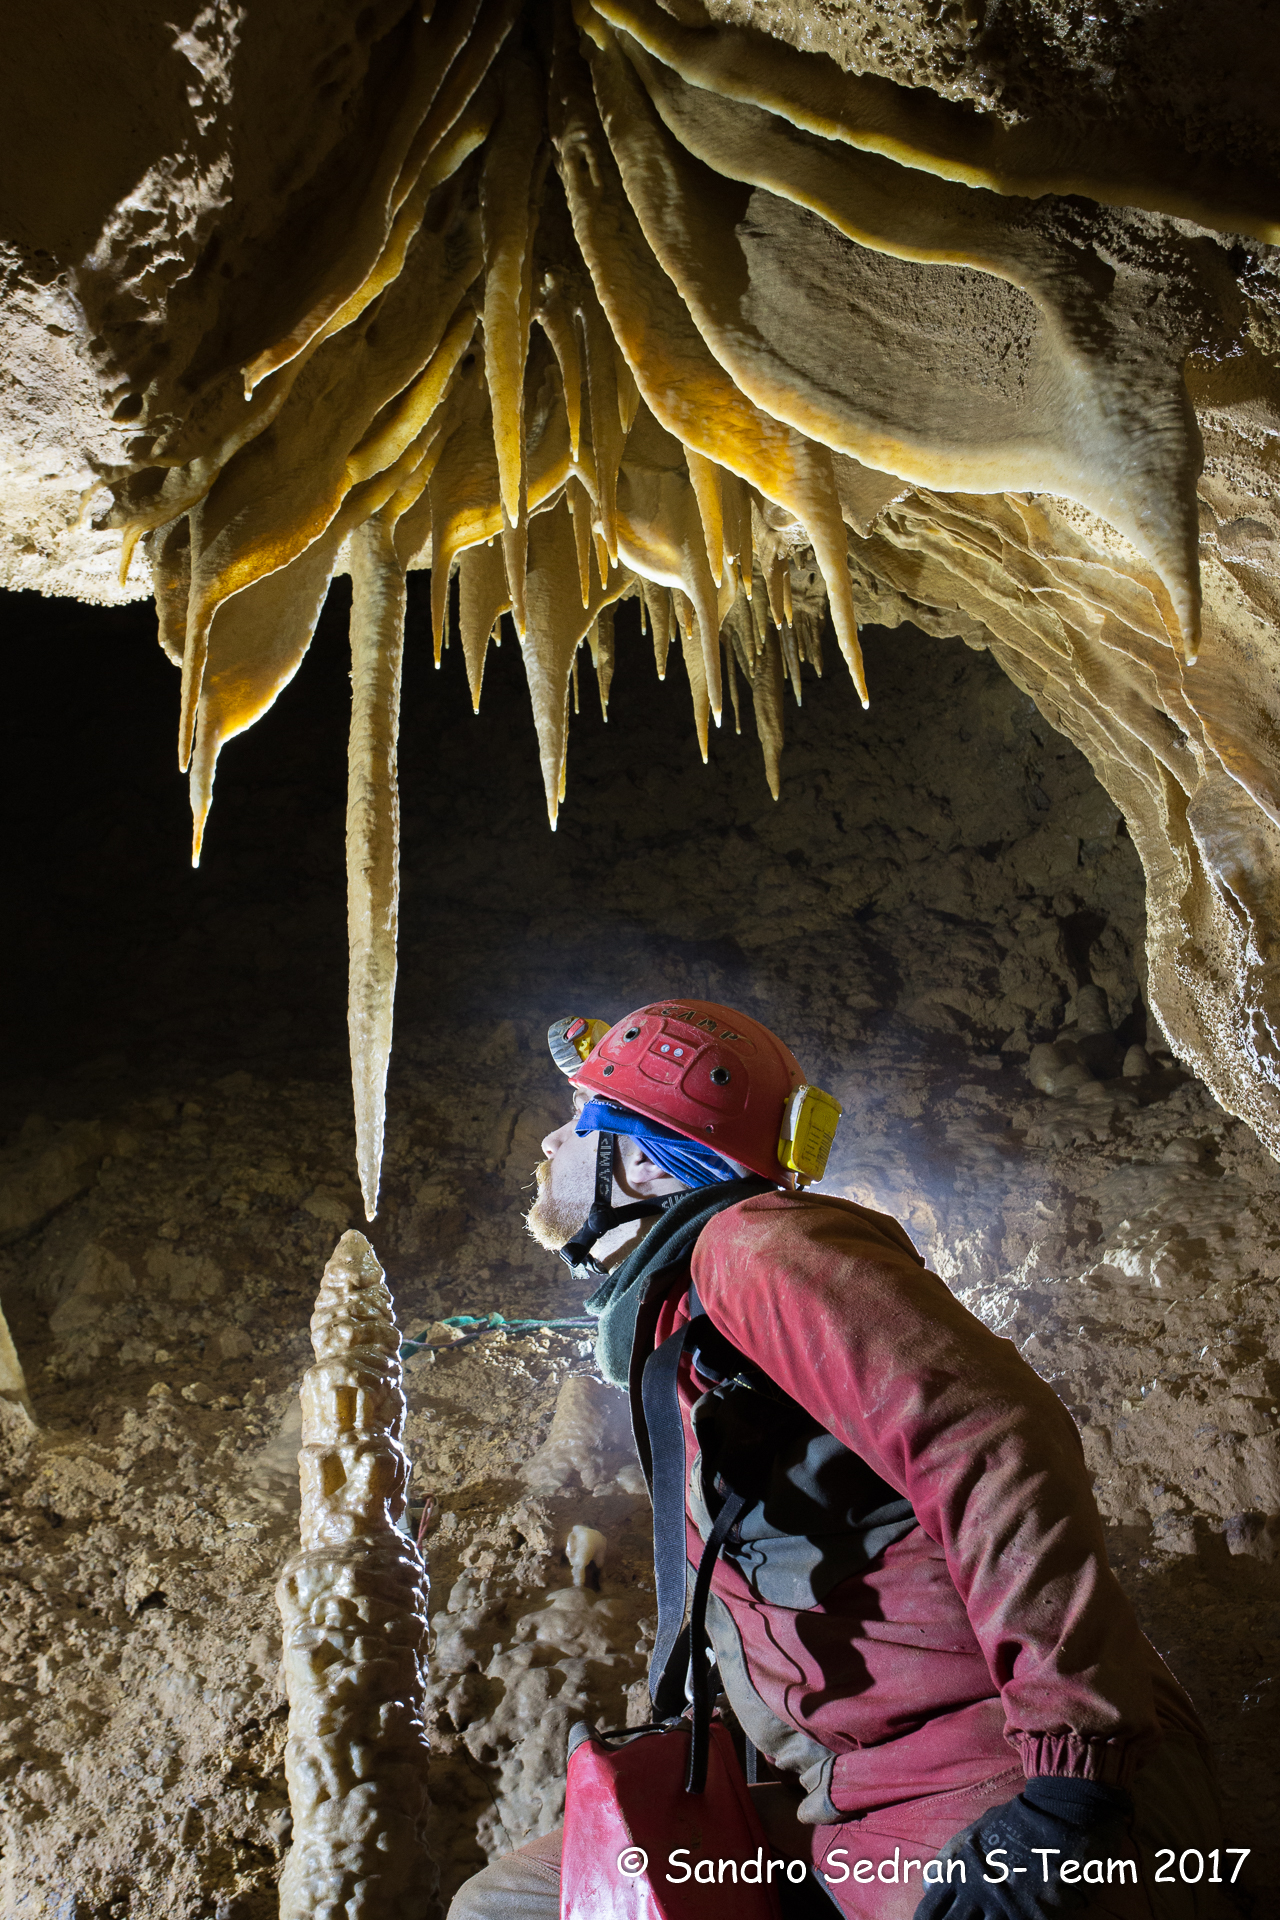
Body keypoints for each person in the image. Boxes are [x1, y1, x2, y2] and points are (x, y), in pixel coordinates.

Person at [448, 999, 1223, 1920]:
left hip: (1006, 1791)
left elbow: (993, 1439)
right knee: (514, 1906)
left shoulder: (760, 1247)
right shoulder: (688, 1333)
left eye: (578, 1118)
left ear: (644, 1158)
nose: (548, 1139)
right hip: (851, 1801)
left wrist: (1066, 1792)